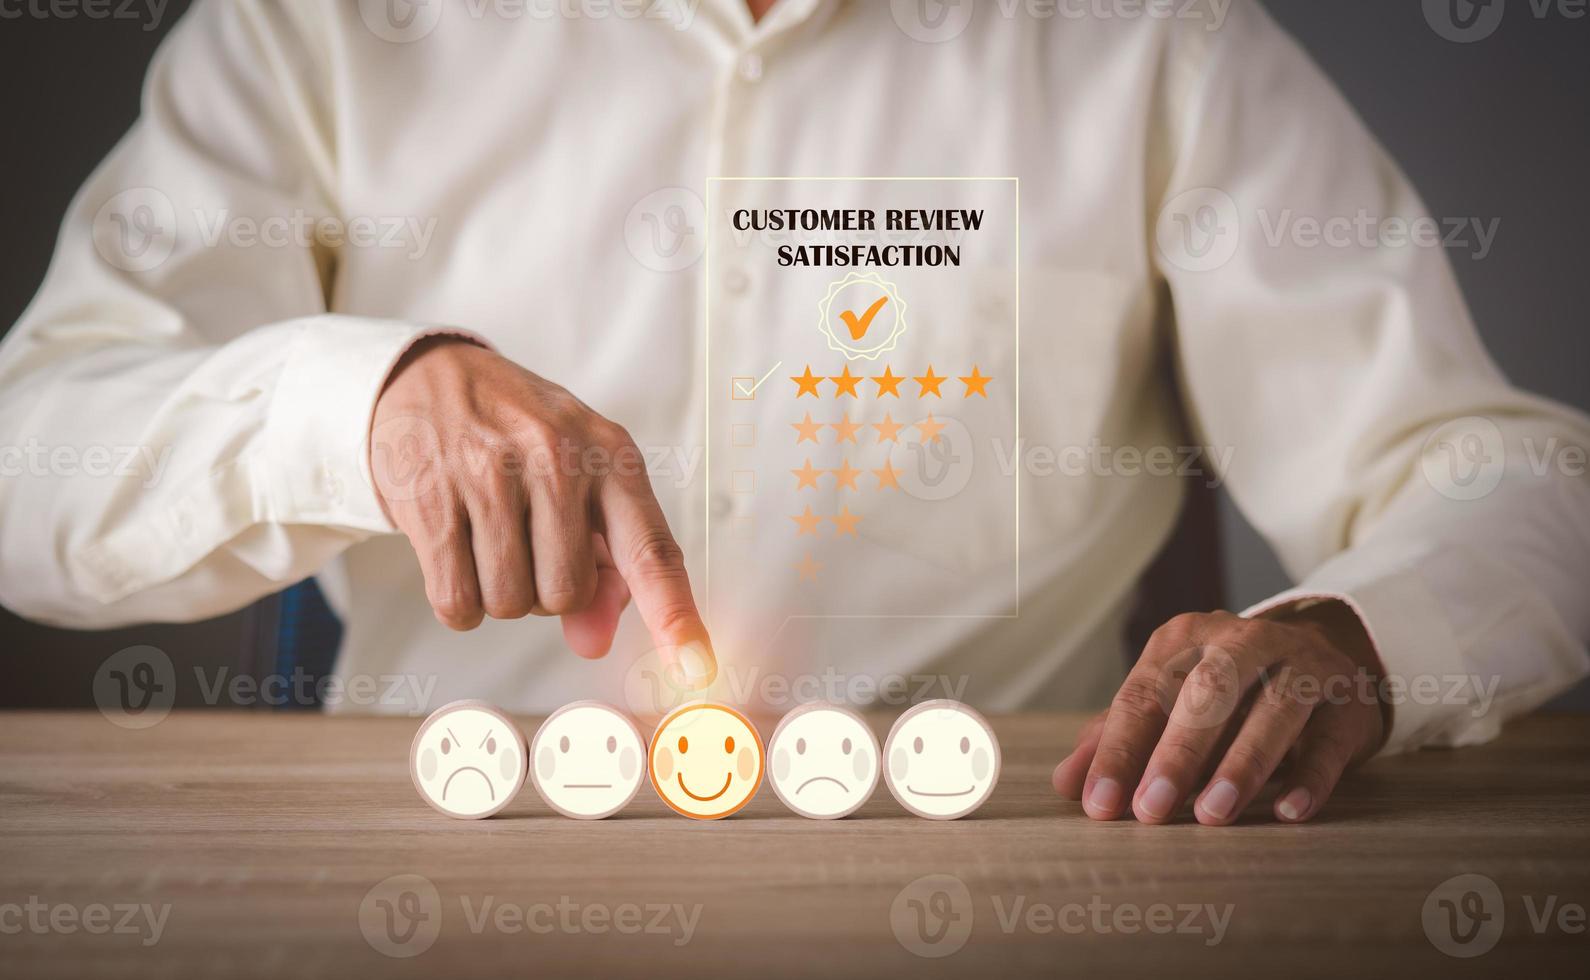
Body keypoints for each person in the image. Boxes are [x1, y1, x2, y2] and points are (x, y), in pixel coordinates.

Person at [0, 0, 1585, 827]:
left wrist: (1355, 636)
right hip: (442, 873)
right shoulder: (318, 27)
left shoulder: (1148, 39)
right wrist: (360, 399)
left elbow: (1517, 482)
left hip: (982, 873)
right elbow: (31, 471)